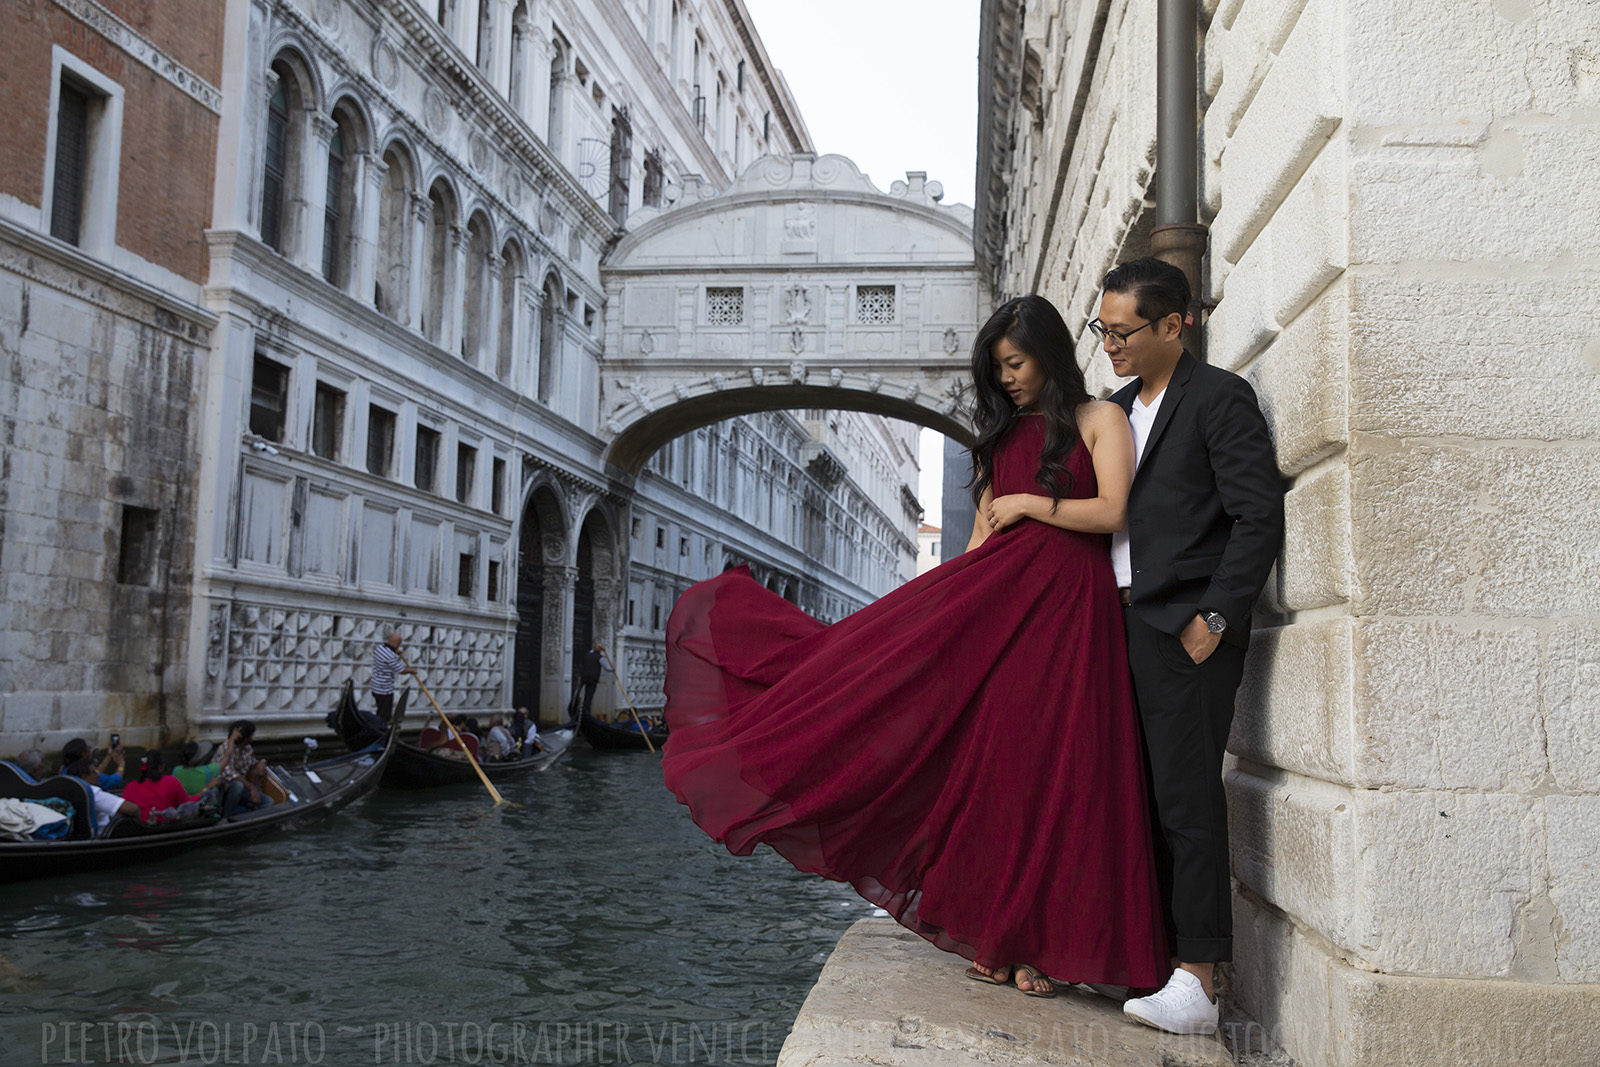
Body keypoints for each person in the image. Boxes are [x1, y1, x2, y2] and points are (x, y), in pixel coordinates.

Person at [661, 295, 1168, 996]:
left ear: (1049, 356)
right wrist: (930, 613)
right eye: (998, 368)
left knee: (1066, 771)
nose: (1008, 379)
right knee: (1004, 771)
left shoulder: (1101, 418)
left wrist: (1028, 505)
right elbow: (978, 545)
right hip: (1001, 616)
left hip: (1073, 617)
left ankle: (1048, 945)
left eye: (1016, 364)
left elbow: (1113, 510)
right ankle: (1006, 935)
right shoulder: (1001, 441)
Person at [1093, 258, 1285, 1035]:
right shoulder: (1109, 409)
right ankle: (1150, 957)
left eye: (1123, 331)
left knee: (1186, 800)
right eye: (1101, 330)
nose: (1110, 345)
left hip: (1182, 630)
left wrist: (1214, 618)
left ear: (1177, 325)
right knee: (1131, 794)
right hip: (1114, 625)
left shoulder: (1219, 400)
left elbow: (1257, 515)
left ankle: (1200, 981)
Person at [121, 752, 205, 822]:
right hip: (166, 829)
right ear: (160, 767)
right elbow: (187, 804)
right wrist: (204, 790)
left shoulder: (130, 786)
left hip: (141, 830)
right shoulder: (171, 782)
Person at [65, 755, 138, 836]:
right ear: (84, 777)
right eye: (94, 772)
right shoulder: (91, 791)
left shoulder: (66, 788)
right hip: (101, 836)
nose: (98, 775)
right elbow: (131, 809)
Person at [215, 720, 273, 819]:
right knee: (238, 785)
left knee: (268, 802)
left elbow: (252, 763)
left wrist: (262, 762)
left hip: (243, 788)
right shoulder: (225, 748)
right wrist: (252, 788)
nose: (252, 738)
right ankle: (226, 818)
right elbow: (230, 773)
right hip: (225, 788)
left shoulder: (247, 748)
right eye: (250, 735)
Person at [370, 629, 414, 724]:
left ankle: (380, 726)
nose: (400, 646)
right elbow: (401, 670)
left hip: (375, 686)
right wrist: (412, 671)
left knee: (380, 709)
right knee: (384, 714)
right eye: (399, 644)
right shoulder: (390, 656)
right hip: (384, 689)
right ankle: (381, 728)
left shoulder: (379, 648)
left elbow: (388, 658)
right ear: (397, 643)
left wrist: (395, 652)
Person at [565, 643, 607, 724]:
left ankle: (576, 711)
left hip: (584, 678)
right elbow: (607, 668)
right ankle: (585, 713)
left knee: (578, 694)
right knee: (588, 697)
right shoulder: (600, 658)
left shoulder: (587, 655)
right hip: (592, 680)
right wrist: (613, 669)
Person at [60, 737, 125, 790]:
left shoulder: (64, 770)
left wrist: (109, 756)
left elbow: (97, 773)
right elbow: (115, 780)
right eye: (88, 748)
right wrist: (121, 763)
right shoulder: (88, 777)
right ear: (84, 754)